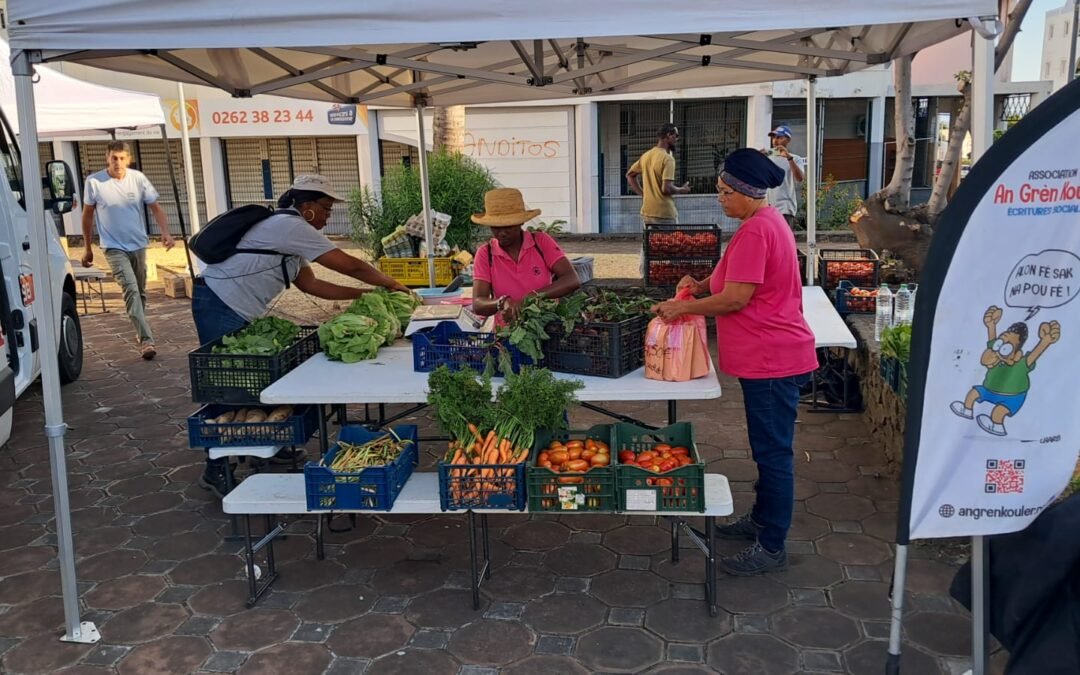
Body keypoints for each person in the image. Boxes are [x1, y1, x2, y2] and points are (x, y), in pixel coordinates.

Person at [191, 174, 412, 496]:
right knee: (230, 388)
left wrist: (362, 296)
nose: (327, 216)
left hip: (236, 306)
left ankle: (273, 445)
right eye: (325, 208)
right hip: (218, 303)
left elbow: (312, 285)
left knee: (259, 381)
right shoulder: (290, 227)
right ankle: (216, 469)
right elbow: (347, 264)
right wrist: (388, 284)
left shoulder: (288, 237)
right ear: (306, 206)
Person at [652, 148, 818, 576]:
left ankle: (771, 545)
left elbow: (736, 298)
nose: (720, 199)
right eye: (719, 191)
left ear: (747, 191)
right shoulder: (759, 224)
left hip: (771, 359)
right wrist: (698, 282)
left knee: (773, 455)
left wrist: (684, 308)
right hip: (768, 357)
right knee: (768, 450)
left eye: (726, 192)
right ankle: (761, 522)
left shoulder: (758, 230)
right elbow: (731, 276)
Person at [81, 140, 174, 360]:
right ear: (107, 158)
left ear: (129, 159)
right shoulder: (94, 182)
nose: (118, 163)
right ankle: (146, 341)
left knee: (140, 292)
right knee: (130, 289)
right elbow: (87, 215)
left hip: (139, 244)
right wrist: (87, 247)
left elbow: (156, 208)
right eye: (114, 158)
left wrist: (166, 232)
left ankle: (139, 327)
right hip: (113, 247)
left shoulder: (138, 179)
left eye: (122, 158)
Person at [470, 188, 580, 321]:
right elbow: (478, 303)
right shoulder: (485, 254)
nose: (502, 233)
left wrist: (532, 298)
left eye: (508, 226)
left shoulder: (541, 242)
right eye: (496, 227)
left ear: (521, 222)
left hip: (546, 326)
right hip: (506, 334)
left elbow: (571, 279)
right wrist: (501, 302)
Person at [626, 122, 691, 227]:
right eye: (676, 136)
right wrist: (681, 190)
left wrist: (643, 194)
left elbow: (629, 175)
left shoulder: (646, 156)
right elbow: (666, 189)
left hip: (647, 212)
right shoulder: (668, 159)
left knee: (651, 243)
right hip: (664, 213)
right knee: (670, 242)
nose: (677, 139)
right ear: (669, 135)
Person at [763, 125, 806, 229]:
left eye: (779, 137)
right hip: (767, 206)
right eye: (774, 137)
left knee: (784, 238)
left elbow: (800, 178)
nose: (775, 140)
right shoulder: (767, 155)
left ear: (788, 139)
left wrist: (788, 158)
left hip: (784, 207)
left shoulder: (795, 158)